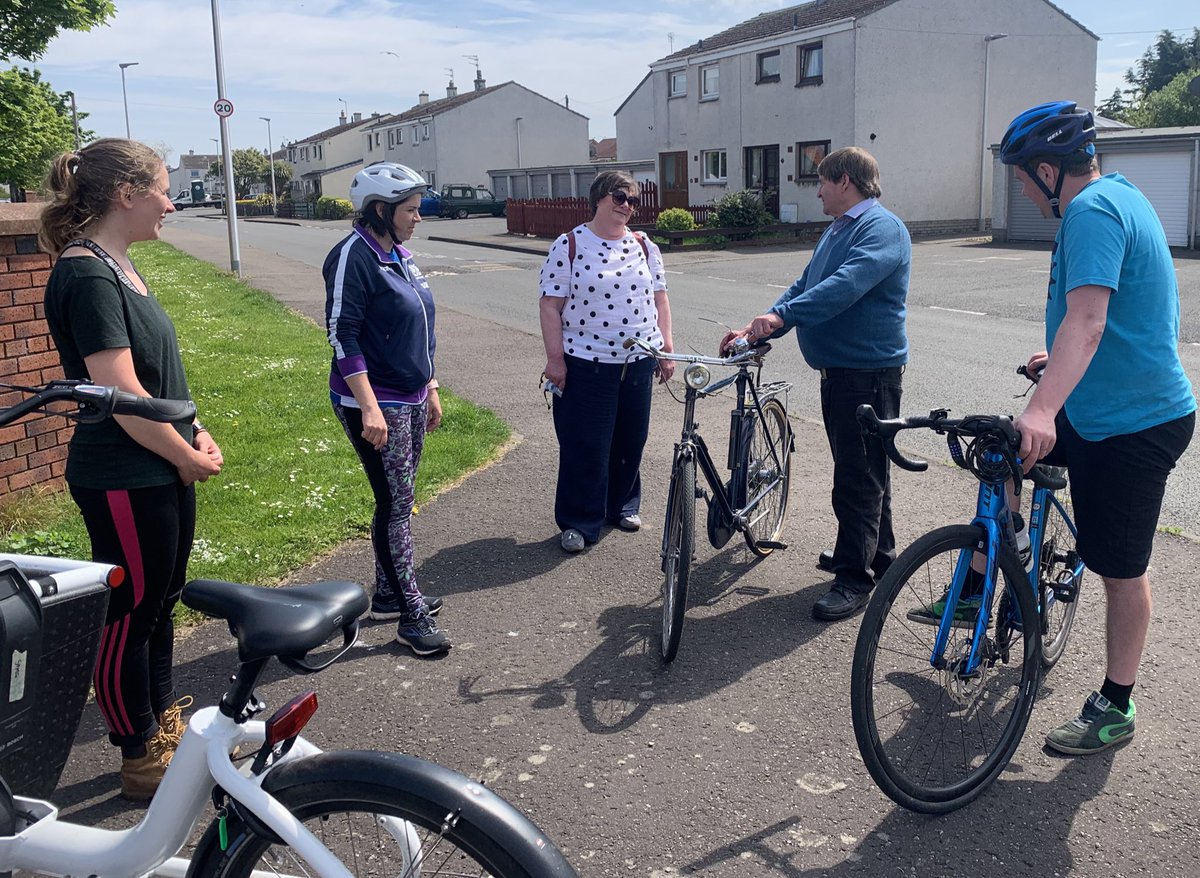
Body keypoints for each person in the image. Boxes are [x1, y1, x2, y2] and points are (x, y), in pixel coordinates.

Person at [998, 100, 1194, 754]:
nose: (1026, 193)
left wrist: (1042, 407)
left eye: (1024, 178)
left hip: (1137, 423)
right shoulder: (1121, 195)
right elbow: (1120, 310)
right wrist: (1055, 367)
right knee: (1002, 453)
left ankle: (1116, 705)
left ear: (1048, 170)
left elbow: (1089, 320)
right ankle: (992, 579)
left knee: (1120, 570)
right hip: (1098, 402)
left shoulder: (1092, 211)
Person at [38, 138, 223, 800]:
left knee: (160, 602)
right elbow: (118, 393)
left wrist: (193, 430)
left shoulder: (117, 264)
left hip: (159, 463)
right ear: (127, 194)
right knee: (130, 614)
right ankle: (139, 755)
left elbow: (154, 375)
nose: (171, 204)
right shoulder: (87, 274)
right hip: (123, 472)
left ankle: (163, 723)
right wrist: (184, 454)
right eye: (163, 191)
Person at [721, 147, 911, 622]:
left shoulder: (881, 228)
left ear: (845, 180)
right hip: (843, 373)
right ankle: (877, 556)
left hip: (867, 375)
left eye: (823, 181)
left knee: (857, 478)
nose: (818, 191)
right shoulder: (840, 228)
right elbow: (805, 284)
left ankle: (854, 579)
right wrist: (763, 325)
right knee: (864, 470)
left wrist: (780, 317)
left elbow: (845, 286)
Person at [323, 162, 449, 656]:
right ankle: (411, 614)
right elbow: (342, 335)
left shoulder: (398, 255)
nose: (418, 217)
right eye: (410, 210)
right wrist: (369, 408)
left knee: (398, 499)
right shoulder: (352, 257)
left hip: (411, 394)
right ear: (381, 209)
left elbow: (421, 327)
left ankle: (388, 597)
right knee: (396, 504)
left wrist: (431, 385)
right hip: (375, 401)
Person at [538, 170, 675, 552]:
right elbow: (550, 306)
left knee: (632, 439)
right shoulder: (569, 245)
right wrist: (555, 360)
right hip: (587, 363)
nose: (627, 206)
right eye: (619, 197)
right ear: (599, 197)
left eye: (633, 200)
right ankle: (579, 521)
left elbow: (660, 299)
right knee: (586, 444)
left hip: (639, 360)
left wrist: (665, 348)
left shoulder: (645, 245)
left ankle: (622, 505)